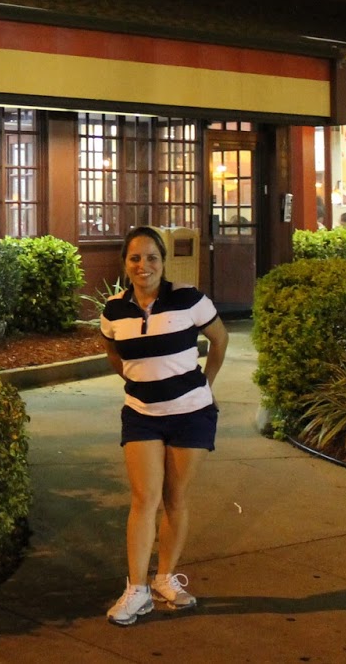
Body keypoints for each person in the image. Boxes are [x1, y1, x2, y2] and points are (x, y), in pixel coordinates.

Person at [99, 225, 228, 626]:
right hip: (142, 414)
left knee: (175, 498)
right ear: (125, 263)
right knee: (144, 498)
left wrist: (205, 384)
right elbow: (113, 352)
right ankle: (137, 590)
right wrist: (138, 381)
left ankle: (165, 579)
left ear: (163, 262)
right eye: (135, 258)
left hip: (191, 414)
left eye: (152, 257)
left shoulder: (189, 299)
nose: (144, 265)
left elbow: (220, 340)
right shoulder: (114, 310)